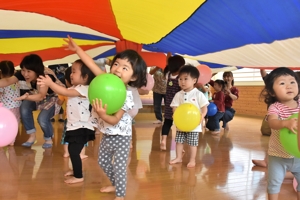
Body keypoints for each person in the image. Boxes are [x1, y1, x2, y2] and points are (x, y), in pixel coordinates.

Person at [63, 35, 147, 200]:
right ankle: (115, 183)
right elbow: (91, 64)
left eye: (125, 68)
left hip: (122, 136)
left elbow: (115, 119)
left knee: (120, 166)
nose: (117, 69)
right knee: (102, 162)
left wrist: (102, 114)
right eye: (116, 64)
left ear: (134, 77)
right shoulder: (104, 80)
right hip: (107, 133)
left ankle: (120, 195)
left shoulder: (126, 95)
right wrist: (78, 49)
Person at [37, 59, 95, 184]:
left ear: (85, 77)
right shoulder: (77, 88)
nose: (70, 74)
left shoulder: (85, 88)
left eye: (74, 71)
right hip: (75, 126)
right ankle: (76, 171)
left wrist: (50, 83)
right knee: (73, 150)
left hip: (82, 127)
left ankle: (79, 176)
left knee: (74, 151)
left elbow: (65, 92)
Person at [0, 54, 64, 148]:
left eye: (28, 71)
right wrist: (26, 98)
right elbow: (7, 81)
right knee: (24, 107)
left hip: (54, 97)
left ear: (36, 70)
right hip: (37, 94)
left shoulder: (44, 76)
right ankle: (32, 136)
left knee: (42, 119)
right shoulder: (23, 74)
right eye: (23, 70)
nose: (25, 74)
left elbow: (41, 96)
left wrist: (26, 97)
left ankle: (48, 138)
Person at [260, 67, 300, 200]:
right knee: (274, 184)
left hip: (299, 156)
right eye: (282, 83)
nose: (288, 86)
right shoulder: (275, 107)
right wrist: (285, 123)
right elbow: (272, 123)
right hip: (278, 156)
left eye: (292, 82)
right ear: (271, 91)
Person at [169, 65, 208, 168]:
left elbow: (204, 107)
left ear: (194, 80)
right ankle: (178, 158)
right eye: (180, 79)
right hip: (181, 124)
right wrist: (175, 114)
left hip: (194, 125)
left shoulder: (198, 94)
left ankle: (192, 160)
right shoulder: (178, 94)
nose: (182, 81)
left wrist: (202, 115)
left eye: (186, 79)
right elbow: (175, 107)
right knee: (179, 141)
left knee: (192, 143)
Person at [56, 67, 88, 159]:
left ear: (66, 81)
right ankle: (81, 154)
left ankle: (66, 153)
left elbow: (59, 102)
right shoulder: (85, 90)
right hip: (82, 120)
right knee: (82, 137)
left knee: (67, 136)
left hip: (68, 118)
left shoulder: (66, 91)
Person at [160, 55, 185, 151]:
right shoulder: (181, 77)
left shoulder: (168, 74)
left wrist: (169, 56)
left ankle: (163, 140)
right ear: (179, 66)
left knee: (167, 122)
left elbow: (168, 63)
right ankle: (180, 146)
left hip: (169, 103)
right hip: (179, 104)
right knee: (180, 125)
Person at [0, 61, 21, 145]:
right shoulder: (16, 80)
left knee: (5, 123)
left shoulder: (2, 82)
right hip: (17, 106)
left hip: (6, 107)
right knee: (15, 123)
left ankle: (3, 138)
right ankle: (12, 141)